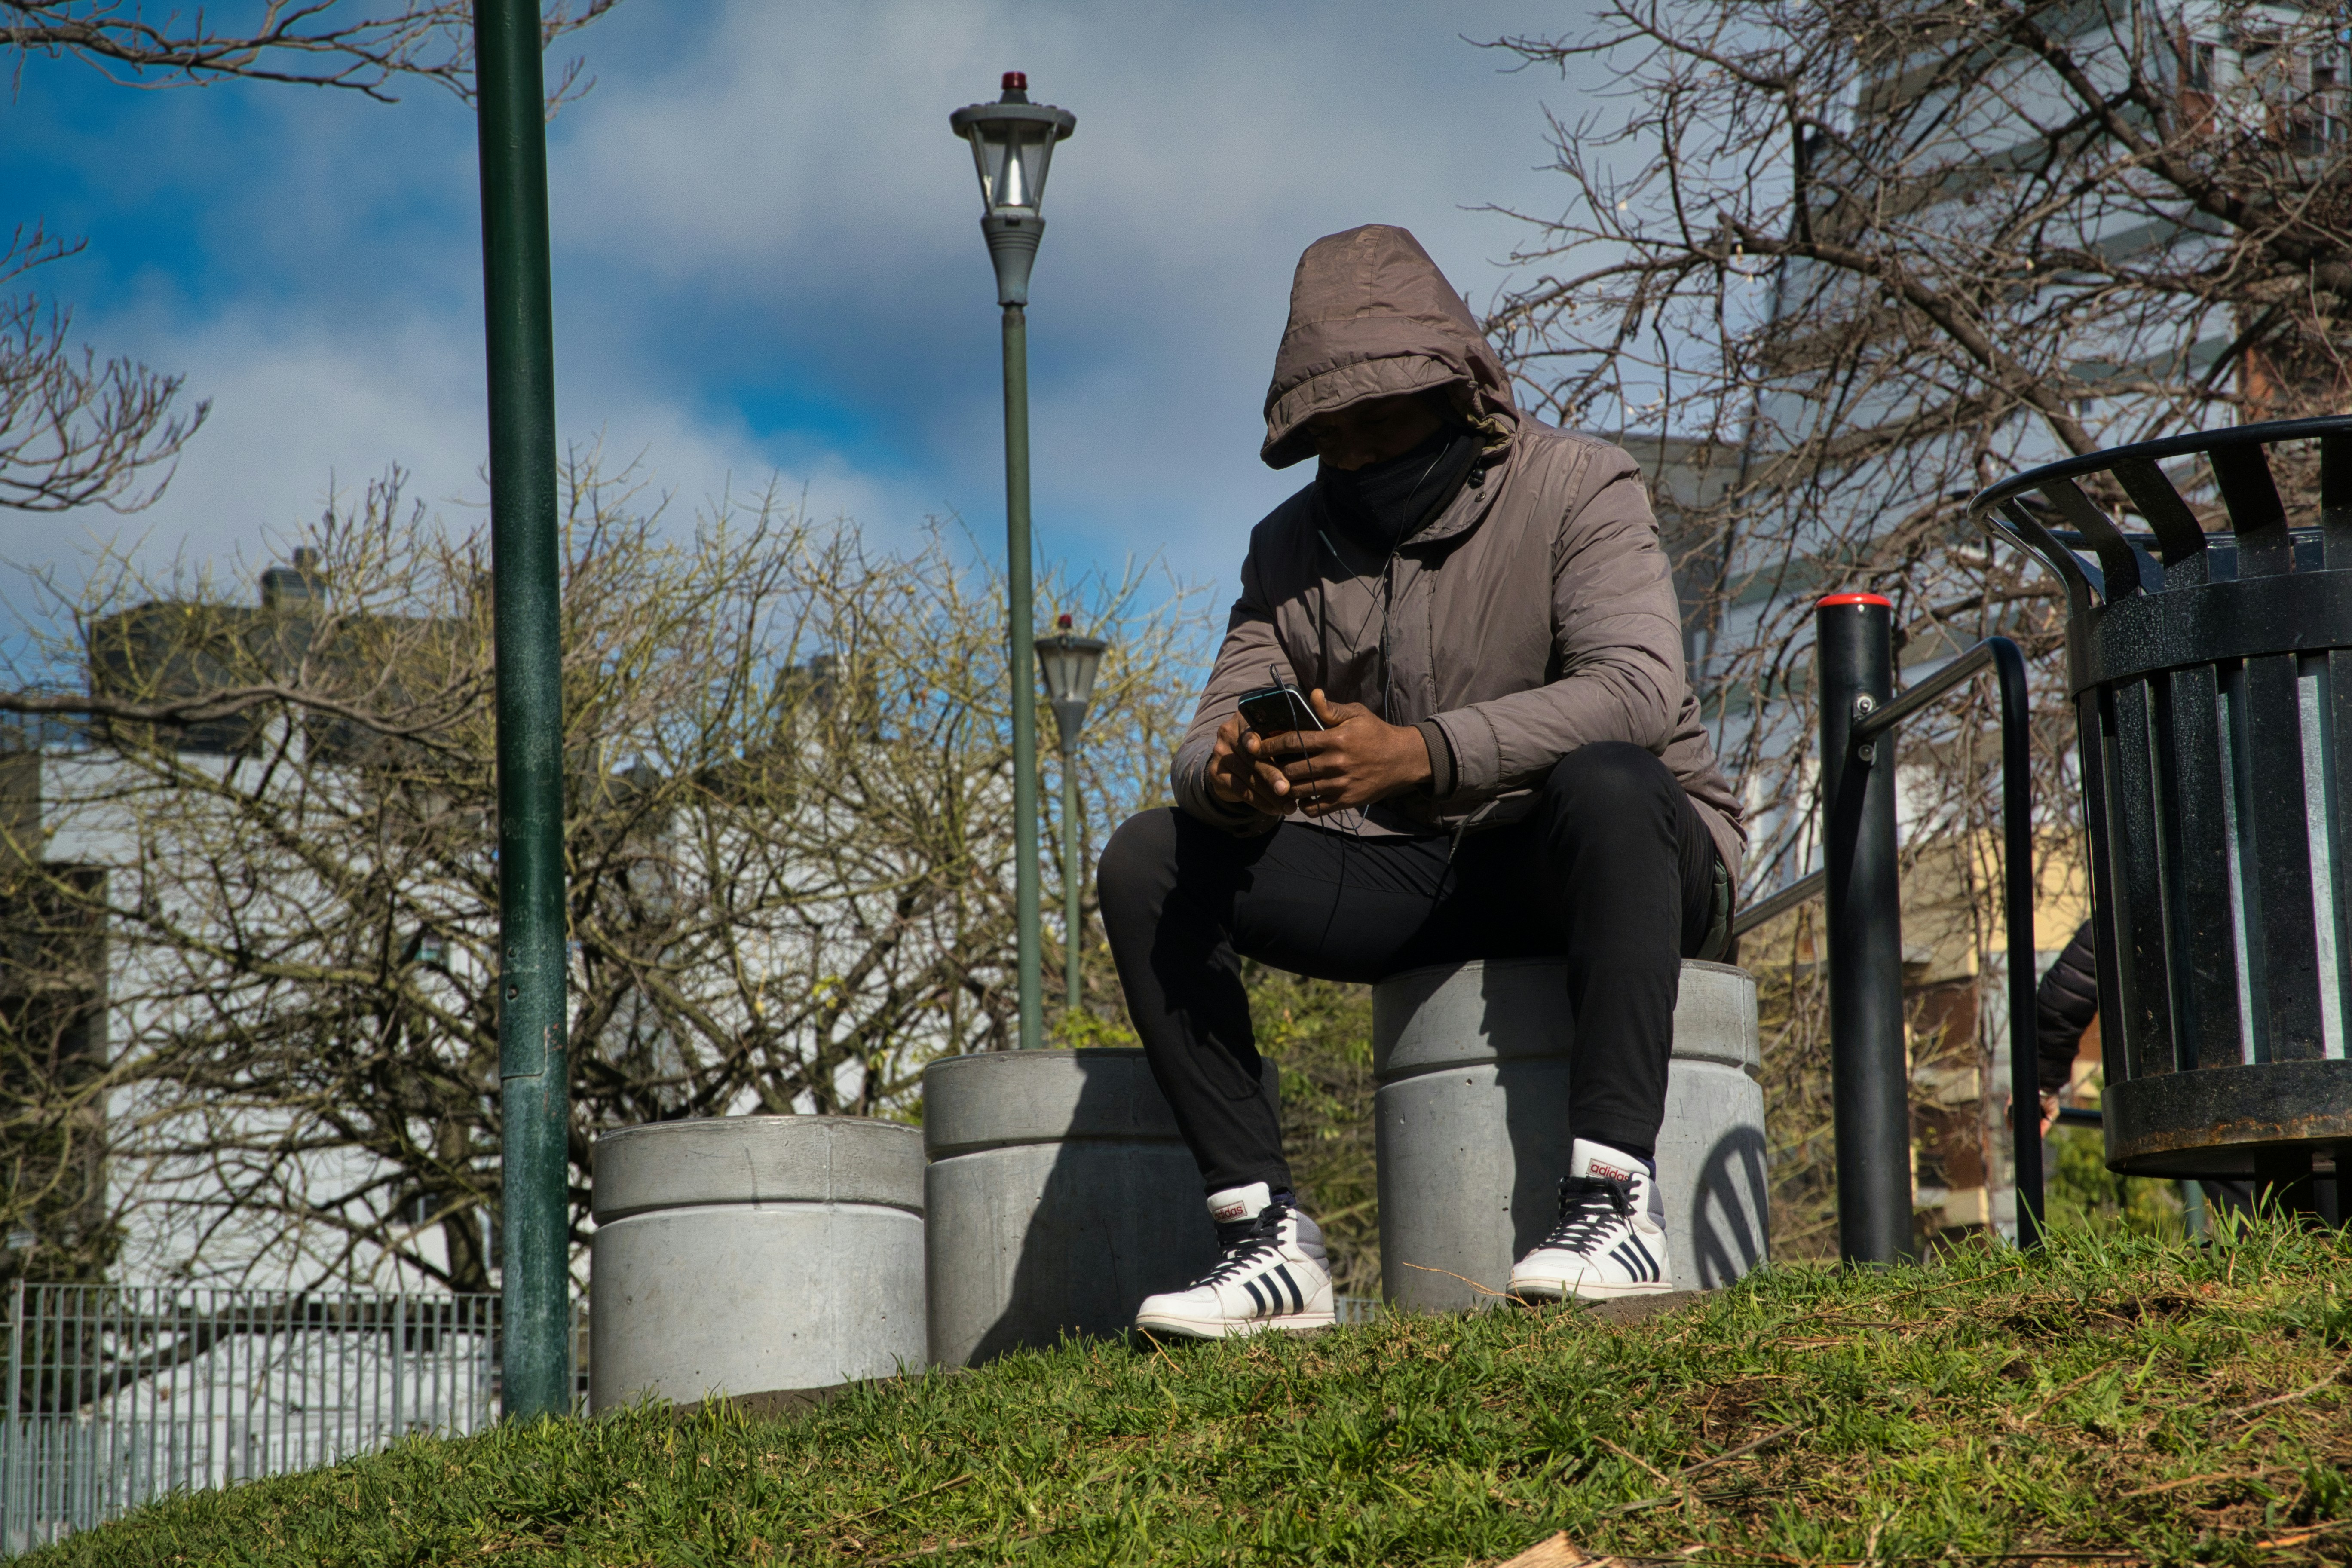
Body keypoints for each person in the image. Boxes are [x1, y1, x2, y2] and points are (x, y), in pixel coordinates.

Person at [1096, 225, 1746, 1339]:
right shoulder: (1287, 548)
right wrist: (1234, 780)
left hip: (1604, 854)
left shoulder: (1581, 484)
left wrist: (1421, 754)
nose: (1357, 454)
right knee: (1151, 855)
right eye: (1331, 436)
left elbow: (1641, 689)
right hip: (1414, 877)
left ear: (1460, 392)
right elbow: (1201, 738)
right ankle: (1269, 1246)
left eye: (1384, 421)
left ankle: (1615, 1202)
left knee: (1608, 780)